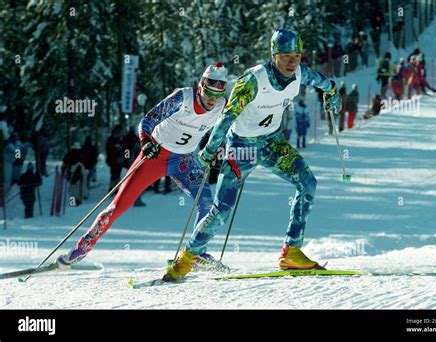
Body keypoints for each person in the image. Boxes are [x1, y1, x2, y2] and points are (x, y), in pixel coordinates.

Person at [163, 29, 342, 281]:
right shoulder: (253, 80)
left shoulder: (300, 73)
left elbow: (323, 82)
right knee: (222, 209)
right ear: (273, 55)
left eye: (297, 56)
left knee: (308, 182)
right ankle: (187, 258)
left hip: (272, 142)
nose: (292, 62)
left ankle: (291, 251)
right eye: (286, 56)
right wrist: (209, 151)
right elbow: (228, 116)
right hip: (241, 147)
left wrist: (333, 93)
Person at [56, 62, 228, 266]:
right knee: (117, 207)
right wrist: (146, 141)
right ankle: (81, 249)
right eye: (208, 93)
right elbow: (148, 120)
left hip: (184, 160)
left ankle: (195, 253)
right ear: (200, 86)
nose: (212, 100)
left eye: (217, 95)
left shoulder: (223, 105)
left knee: (207, 204)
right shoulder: (183, 98)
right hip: (155, 155)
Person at [106, 125, 125, 191]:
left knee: (117, 174)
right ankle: (113, 188)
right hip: (113, 160)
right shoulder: (111, 140)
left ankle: (116, 188)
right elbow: (110, 150)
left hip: (118, 160)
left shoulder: (119, 139)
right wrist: (118, 150)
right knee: (114, 174)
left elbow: (123, 147)